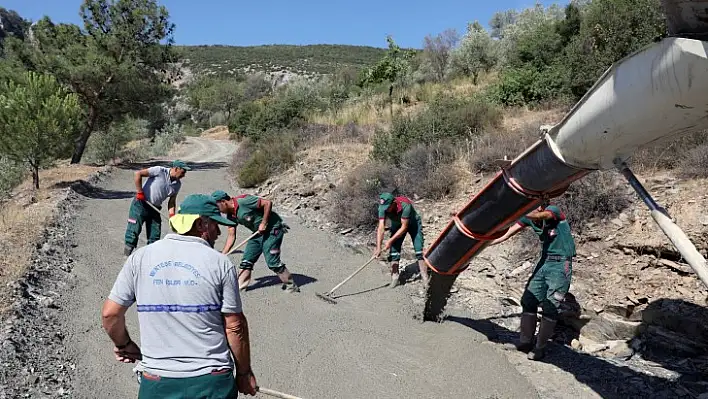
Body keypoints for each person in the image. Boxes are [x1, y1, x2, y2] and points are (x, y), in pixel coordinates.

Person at [102, 194, 258, 398]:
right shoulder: (220, 263)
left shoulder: (139, 258)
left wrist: (124, 344)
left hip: (157, 381)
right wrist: (244, 373)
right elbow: (235, 326)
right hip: (211, 382)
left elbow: (110, 315)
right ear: (201, 224)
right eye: (215, 225)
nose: (219, 232)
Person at [488, 200, 576, 361]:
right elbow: (506, 233)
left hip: (561, 263)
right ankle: (525, 342)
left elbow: (542, 215)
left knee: (551, 306)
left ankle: (539, 347)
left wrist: (516, 209)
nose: (533, 207)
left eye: (535, 204)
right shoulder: (528, 217)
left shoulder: (552, 211)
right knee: (528, 300)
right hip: (544, 262)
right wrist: (483, 243)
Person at [211, 190, 299, 293]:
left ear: (223, 201)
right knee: (246, 261)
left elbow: (267, 203)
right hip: (257, 233)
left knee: (272, 262)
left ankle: (291, 286)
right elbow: (231, 235)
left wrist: (264, 222)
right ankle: (240, 288)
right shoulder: (230, 216)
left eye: (217, 206)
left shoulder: (243, 201)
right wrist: (223, 254)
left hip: (273, 229)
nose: (218, 210)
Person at [123, 160, 190, 256]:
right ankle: (126, 257)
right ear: (176, 169)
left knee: (155, 236)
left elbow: (172, 201)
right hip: (140, 204)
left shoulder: (177, 184)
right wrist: (140, 192)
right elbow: (138, 174)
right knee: (133, 231)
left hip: (155, 209)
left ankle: (150, 259)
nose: (184, 175)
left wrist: (172, 216)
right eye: (183, 172)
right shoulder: (159, 171)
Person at [373, 192, 428, 288]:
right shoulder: (382, 208)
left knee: (419, 249)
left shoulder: (405, 204)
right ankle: (395, 278)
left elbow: (404, 227)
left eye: (388, 207)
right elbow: (381, 228)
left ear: (394, 203)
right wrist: (378, 247)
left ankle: (425, 278)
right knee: (394, 250)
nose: (386, 210)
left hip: (413, 223)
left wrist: (389, 241)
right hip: (397, 225)